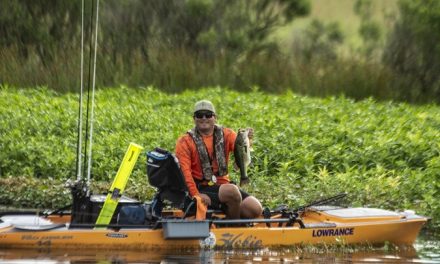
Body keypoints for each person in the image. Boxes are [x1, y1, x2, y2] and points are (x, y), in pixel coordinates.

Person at [175, 100, 263, 219]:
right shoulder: (184, 141)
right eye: (200, 115)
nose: (204, 118)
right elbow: (185, 174)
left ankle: (229, 214)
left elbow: (241, 150)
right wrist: (197, 195)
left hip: (222, 185)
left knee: (254, 208)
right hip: (201, 188)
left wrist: (248, 139)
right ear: (194, 118)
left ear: (215, 117)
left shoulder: (227, 134)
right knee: (232, 191)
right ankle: (234, 228)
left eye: (208, 114)